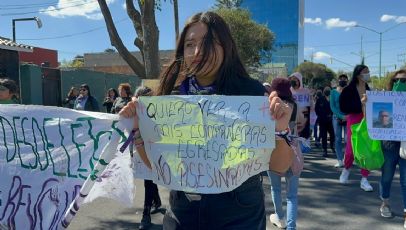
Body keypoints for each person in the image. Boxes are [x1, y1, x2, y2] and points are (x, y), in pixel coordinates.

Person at [120, 11, 293, 230]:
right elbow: (157, 165)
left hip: (240, 212)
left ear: (226, 47)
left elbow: (279, 166)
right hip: (183, 210)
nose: (198, 51)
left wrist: (279, 129)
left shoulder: (250, 94)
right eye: (190, 44)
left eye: (208, 43)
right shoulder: (169, 97)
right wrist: (137, 129)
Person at [378, 69, 406, 230]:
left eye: (403, 80)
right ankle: (385, 203)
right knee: (387, 177)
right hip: (389, 145)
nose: (399, 83)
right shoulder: (385, 99)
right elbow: (380, 122)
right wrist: (366, 104)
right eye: (396, 80)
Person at [268, 77, 301, 230]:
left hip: (274, 151)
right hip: (293, 151)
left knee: (275, 188)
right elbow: (300, 123)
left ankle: (279, 217)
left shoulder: (269, 106)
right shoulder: (294, 105)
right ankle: (291, 226)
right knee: (292, 195)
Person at [339, 64, 373, 192]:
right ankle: (346, 169)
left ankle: (364, 179)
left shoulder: (369, 88)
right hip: (354, 119)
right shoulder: (349, 89)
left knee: (366, 150)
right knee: (351, 149)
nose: (368, 74)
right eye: (365, 72)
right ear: (358, 74)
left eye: (368, 71)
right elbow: (343, 106)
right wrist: (360, 103)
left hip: (368, 120)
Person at [132, 86, 162, 230]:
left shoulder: (157, 111)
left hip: (154, 149)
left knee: (150, 179)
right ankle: (156, 202)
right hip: (141, 150)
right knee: (149, 179)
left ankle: (146, 214)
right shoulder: (133, 112)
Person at [330, 74, 348, 167]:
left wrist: (347, 116)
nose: (342, 80)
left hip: (347, 117)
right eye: (341, 79)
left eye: (344, 79)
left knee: (347, 139)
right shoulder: (333, 92)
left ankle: (346, 159)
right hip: (336, 118)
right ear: (338, 80)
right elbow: (332, 106)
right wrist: (340, 116)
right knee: (337, 139)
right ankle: (339, 160)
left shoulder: (349, 91)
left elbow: (351, 104)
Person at [289, 72, 311, 139]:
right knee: (292, 137)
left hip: (304, 118)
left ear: (299, 80)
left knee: (304, 138)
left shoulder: (306, 91)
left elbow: (310, 106)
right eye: (292, 79)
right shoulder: (289, 91)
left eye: (295, 79)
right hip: (291, 117)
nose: (293, 81)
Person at [315, 86, 335, 157]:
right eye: (326, 90)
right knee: (324, 136)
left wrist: (332, 115)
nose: (327, 91)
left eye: (328, 90)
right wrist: (320, 115)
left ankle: (332, 146)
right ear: (324, 91)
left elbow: (334, 108)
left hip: (330, 121)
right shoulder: (320, 99)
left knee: (332, 135)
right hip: (322, 121)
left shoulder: (332, 99)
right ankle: (325, 150)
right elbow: (316, 109)